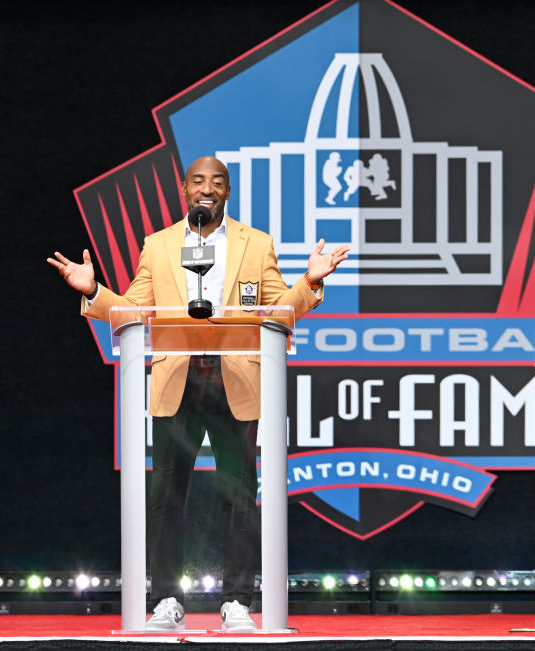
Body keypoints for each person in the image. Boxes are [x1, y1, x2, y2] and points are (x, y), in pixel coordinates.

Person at [48, 155, 349, 631]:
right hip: (176, 380)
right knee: (166, 497)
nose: (207, 188)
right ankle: (167, 600)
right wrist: (95, 292)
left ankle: (237, 603)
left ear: (227, 191)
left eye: (218, 181)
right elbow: (131, 310)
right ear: (184, 190)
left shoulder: (256, 243)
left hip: (236, 380)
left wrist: (310, 282)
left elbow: (277, 311)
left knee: (239, 495)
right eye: (198, 181)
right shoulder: (159, 244)